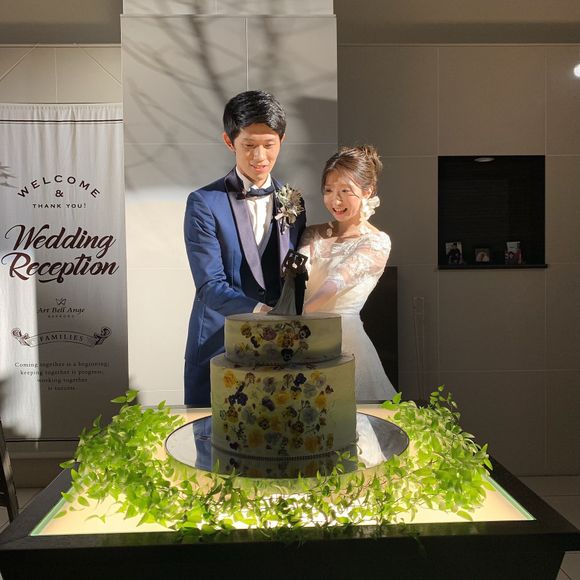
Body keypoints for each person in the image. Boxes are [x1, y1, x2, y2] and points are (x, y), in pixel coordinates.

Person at [183, 90, 306, 406]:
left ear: (282, 140)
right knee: (211, 433)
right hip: (219, 343)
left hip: (278, 348)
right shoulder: (203, 203)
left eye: (269, 145)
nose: (260, 157)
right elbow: (209, 285)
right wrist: (263, 314)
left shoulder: (293, 200)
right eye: (249, 146)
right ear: (229, 141)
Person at [298, 145, 397, 401]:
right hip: (302, 337)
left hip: (344, 342)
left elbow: (335, 283)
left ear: (367, 191)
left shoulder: (377, 241)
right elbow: (298, 271)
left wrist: (296, 318)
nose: (336, 201)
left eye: (345, 191)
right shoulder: (314, 232)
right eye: (329, 190)